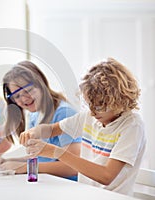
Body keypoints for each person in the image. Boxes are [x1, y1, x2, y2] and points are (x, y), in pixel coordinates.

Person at [20, 58, 146, 196]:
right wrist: (35, 131)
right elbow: (52, 130)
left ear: (118, 99)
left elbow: (106, 176)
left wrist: (57, 152)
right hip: (86, 194)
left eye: (98, 106)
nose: (92, 112)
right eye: (89, 104)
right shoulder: (89, 117)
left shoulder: (132, 125)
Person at [0, 61, 81, 180]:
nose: (24, 99)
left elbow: (73, 167)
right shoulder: (35, 115)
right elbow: (43, 159)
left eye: (28, 90)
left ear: (41, 84)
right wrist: (9, 161)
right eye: (17, 96)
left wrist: (24, 167)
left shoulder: (64, 114)